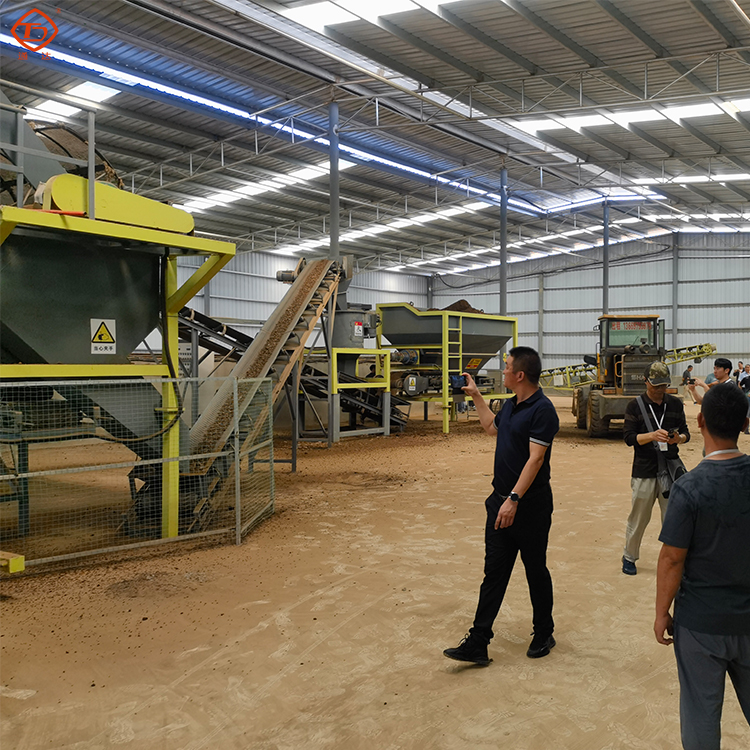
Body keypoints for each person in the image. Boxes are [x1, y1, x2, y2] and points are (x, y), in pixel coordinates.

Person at [443, 346, 559, 666]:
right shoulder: (511, 406)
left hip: (529, 506)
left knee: (535, 570)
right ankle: (478, 642)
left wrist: (514, 499)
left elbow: (536, 459)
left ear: (520, 375)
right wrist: (476, 396)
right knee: (494, 572)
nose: (504, 371)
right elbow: (492, 428)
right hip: (500, 503)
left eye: (507, 367)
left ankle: (543, 631)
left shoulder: (543, 410)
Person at [654, 384, 750, 750]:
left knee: (701, 716)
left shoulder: (690, 488)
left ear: (700, 421)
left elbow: (672, 557)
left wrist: (662, 612)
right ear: (744, 424)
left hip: (701, 625)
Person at [621, 362, 689, 576]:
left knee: (672, 519)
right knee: (638, 518)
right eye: (655, 385)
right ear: (646, 381)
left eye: (663, 385)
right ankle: (629, 557)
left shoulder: (676, 405)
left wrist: (679, 438)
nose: (659, 389)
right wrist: (651, 436)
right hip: (645, 470)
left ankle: (673, 561)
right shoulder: (635, 406)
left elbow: (686, 433)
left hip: (670, 470)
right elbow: (629, 438)